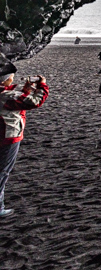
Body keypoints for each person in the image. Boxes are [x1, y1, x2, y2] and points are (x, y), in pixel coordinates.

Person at [0, 60, 48, 219]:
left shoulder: (5, 93)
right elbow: (35, 102)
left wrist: (26, 90)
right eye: (11, 77)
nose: (13, 79)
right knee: (3, 171)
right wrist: (42, 87)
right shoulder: (6, 96)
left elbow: (17, 99)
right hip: (8, 136)